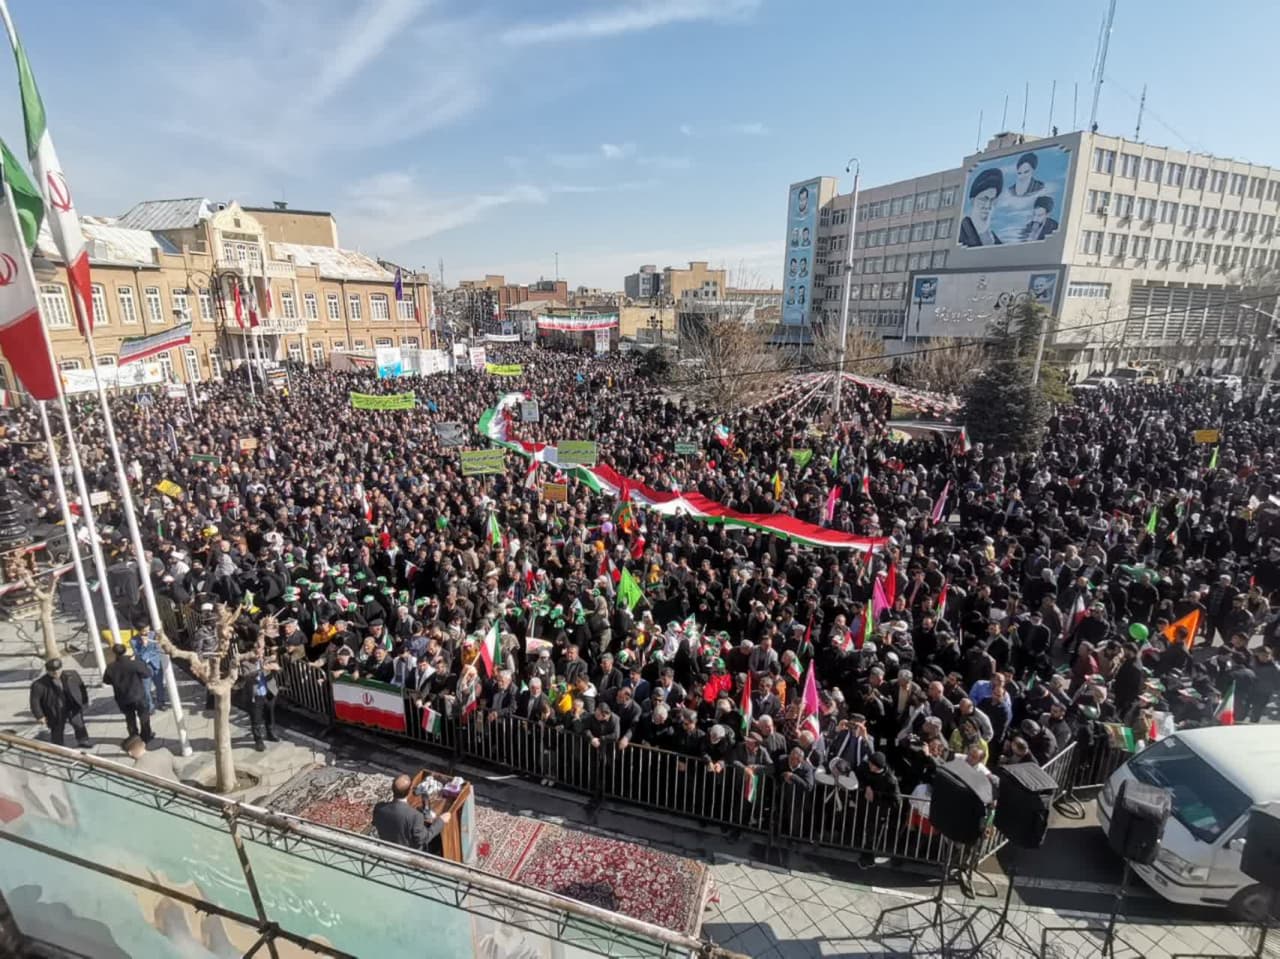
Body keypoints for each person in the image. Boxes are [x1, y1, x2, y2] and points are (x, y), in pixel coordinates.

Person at [372, 774, 449, 854]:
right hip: (408, 854)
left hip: (387, 847)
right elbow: (423, 839)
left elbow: (375, 823)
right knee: (438, 839)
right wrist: (441, 821)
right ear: (409, 791)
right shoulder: (415, 816)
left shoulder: (379, 807)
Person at [29, 658, 90, 748]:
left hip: (72, 705)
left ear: (61, 668)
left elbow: (81, 688)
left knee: (78, 723)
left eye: (58, 670)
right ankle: (58, 747)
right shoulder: (39, 684)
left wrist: (84, 701)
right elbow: (34, 701)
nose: (56, 673)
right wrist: (40, 716)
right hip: (55, 710)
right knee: (57, 728)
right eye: (52, 671)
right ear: (47, 671)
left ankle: (83, 740)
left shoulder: (72, 675)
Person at [103, 644, 154, 743]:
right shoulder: (133, 663)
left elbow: (106, 680)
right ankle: (146, 736)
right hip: (138, 695)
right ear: (125, 651)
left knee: (130, 718)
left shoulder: (111, 667)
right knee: (144, 716)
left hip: (122, 697)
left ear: (114, 653)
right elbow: (147, 673)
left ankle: (134, 737)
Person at [240, 637, 281, 751]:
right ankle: (258, 740)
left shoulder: (266, 659)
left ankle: (271, 733)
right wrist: (260, 670)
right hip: (256, 695)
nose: (261, 652)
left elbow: (278, 670)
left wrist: (276, 669)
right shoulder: (245, 663)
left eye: (262, 649)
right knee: (256, 719)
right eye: (258, 649)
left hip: (269, 693)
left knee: (270, 715)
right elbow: (246, 677)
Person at [958, 167, 1003, 247]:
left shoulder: (997, 242)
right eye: (983, 199)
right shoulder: (961, 233)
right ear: (972, 200)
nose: (988, 206)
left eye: (992, 200)